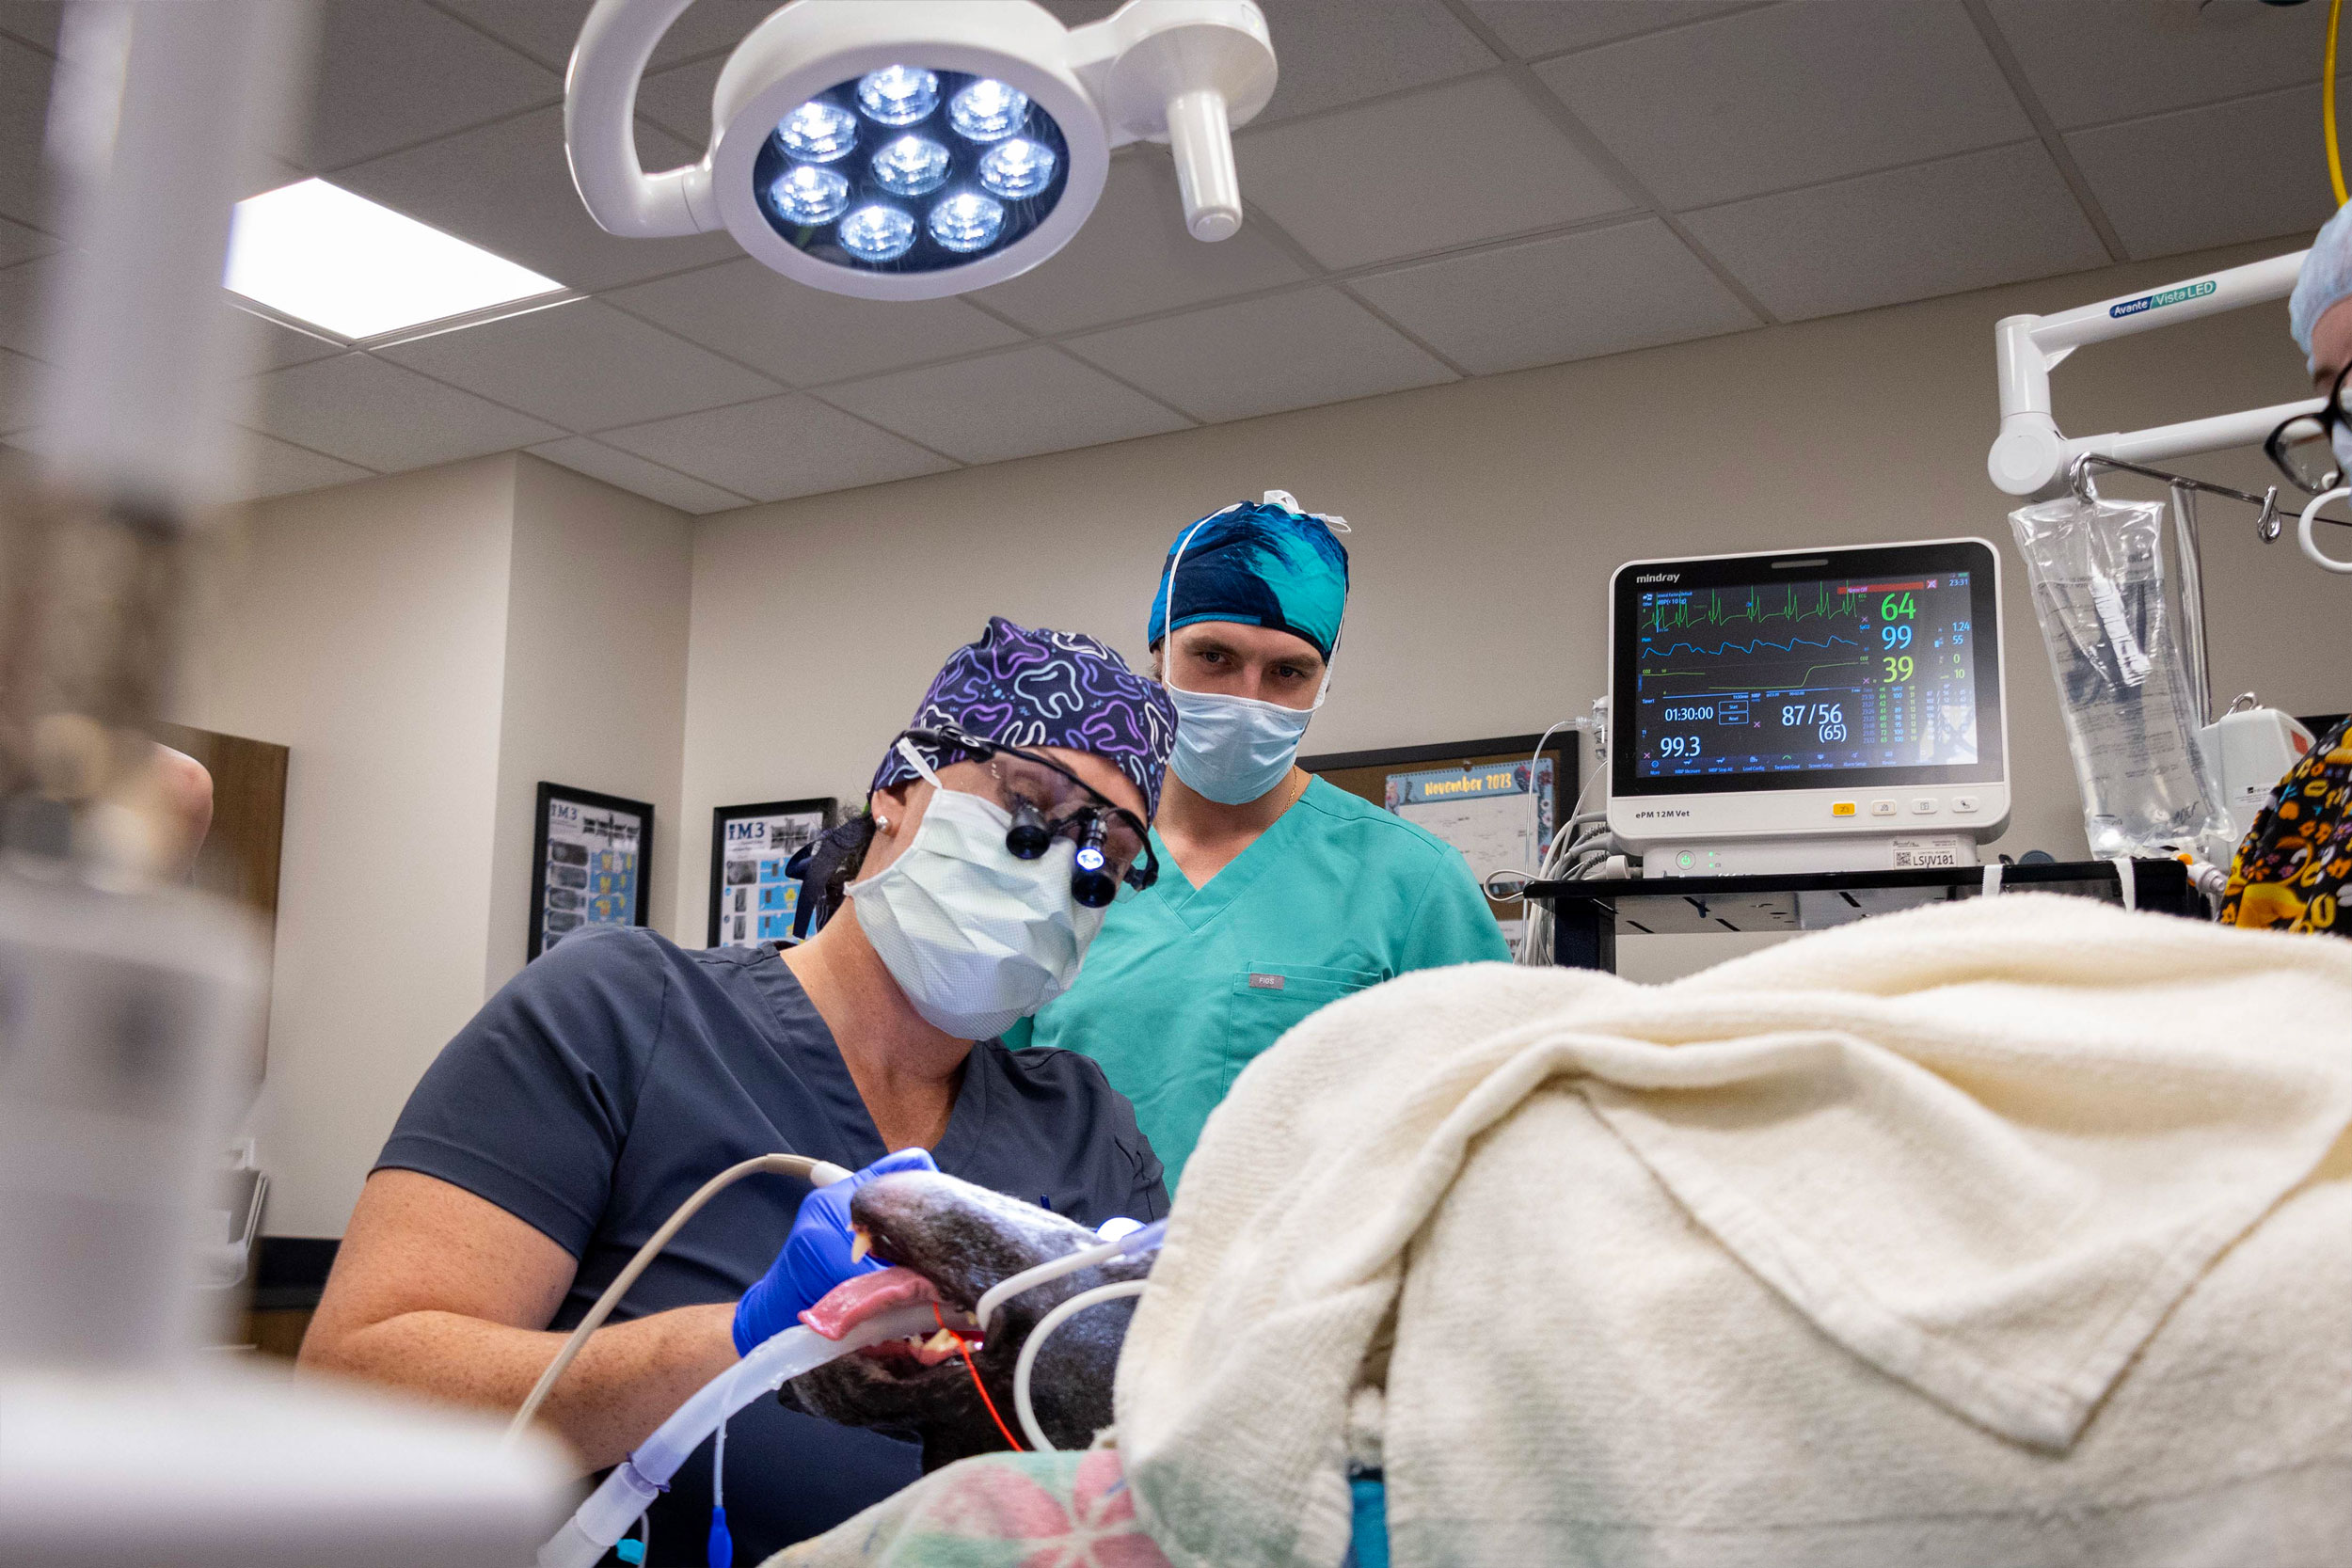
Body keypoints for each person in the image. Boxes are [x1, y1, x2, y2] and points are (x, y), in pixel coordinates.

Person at [299, 617, 1177, 1563]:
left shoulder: (1085, 1131)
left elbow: (1160, 1451)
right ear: (899, 786)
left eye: (1106, 861)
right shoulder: (622, 1016)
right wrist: (747, 1336)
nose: (1056, 874)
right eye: (1028, 809)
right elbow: (354, 1388)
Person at [1007, 494, 1511, 1186]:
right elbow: (975, 1114)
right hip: (1065, 1285)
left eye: (1287, 672)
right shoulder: (1053, 863)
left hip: (1305, 1290)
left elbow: (1495, 1142)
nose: (1247, 697)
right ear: (1158, 657)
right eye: (1213, 656)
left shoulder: (1411, 883)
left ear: (1323, 681)